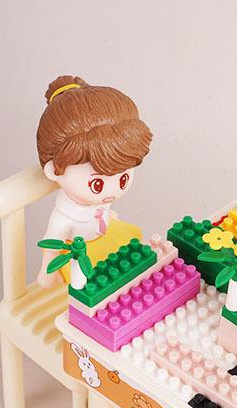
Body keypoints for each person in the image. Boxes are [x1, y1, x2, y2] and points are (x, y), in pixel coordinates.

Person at [35, 75, 153, 289]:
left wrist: (109, 214)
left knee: (137, 263)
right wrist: (46, 272)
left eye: (123, 178)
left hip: (107, 236)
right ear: (54, 170)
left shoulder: (102, 200)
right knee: (89, 286)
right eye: (97, 184)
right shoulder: (64, 218)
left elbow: (104, 206)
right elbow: (52, 246)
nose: (112, 191)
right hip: (78, 253)